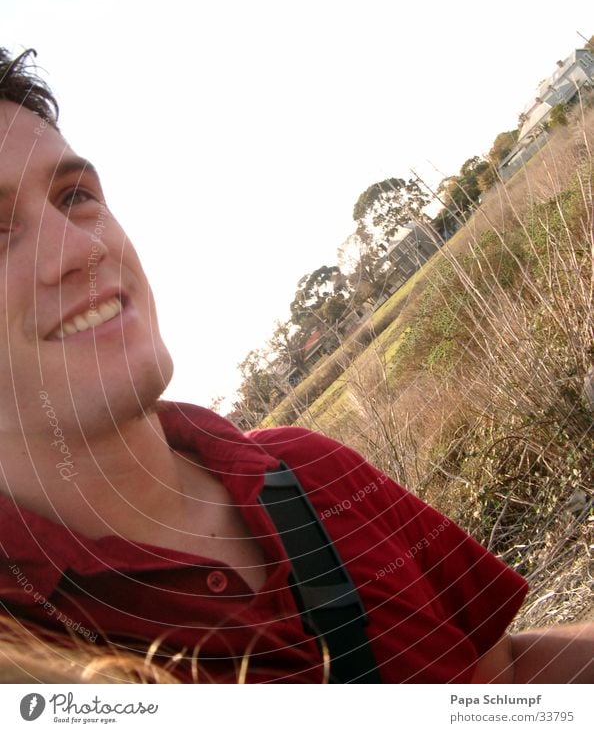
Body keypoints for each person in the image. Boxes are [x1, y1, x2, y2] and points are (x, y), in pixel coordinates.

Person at [0, 47, 591, 685]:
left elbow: (499, 679)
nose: (83, 248)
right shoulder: (30, 643)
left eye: (77, 196)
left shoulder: (309, 468)